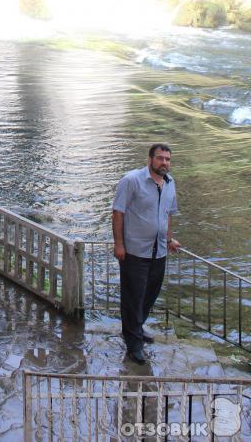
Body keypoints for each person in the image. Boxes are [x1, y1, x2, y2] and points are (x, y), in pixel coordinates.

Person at [112, 143, 180, 365]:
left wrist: (169, 239)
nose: (164, 163)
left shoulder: (170, 183)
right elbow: (118, 213)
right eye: (160, 158)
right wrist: (119, 244)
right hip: (134, 251)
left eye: (167, 159)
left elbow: (168, 214)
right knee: (133, 297)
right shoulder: (132, 180)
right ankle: (134, 345)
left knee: (150, 294)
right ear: (150, 159)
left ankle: (136, 328)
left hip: (158, 251)